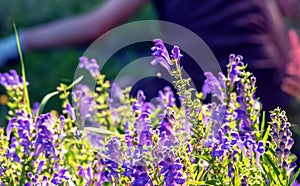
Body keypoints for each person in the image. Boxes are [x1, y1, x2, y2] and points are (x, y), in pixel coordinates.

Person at [0, 0, 298, 113]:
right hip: (270, 90)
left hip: (202, 93)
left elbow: (96, 25)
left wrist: (17, 43)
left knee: (118, 88)